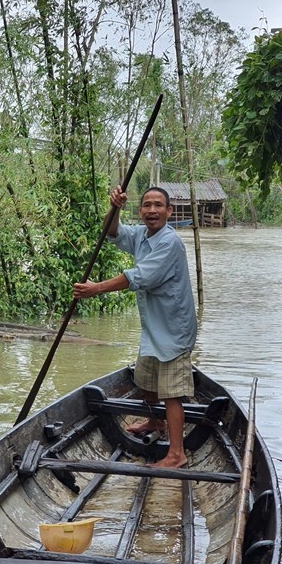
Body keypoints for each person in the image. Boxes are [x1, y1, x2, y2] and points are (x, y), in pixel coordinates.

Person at [73, 184, 197, 468]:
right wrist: (114, 207)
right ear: (140, 210)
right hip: (154, 326)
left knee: (172, 392)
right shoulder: (142, 235)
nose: (152, 211)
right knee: (146, 380)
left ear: (169, 211)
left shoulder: (169, 243)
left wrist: (97, 288)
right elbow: (111, 232)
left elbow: (137, 277)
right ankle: (156, 421)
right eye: (147, 206)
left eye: (158, 205)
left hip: (174, 328)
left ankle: (177, 454)